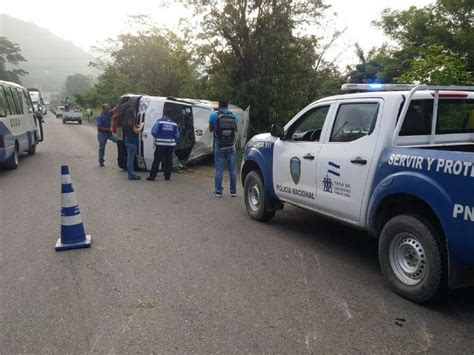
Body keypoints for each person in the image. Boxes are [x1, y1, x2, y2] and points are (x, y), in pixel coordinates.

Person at [209, 99, 238, 197]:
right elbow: (236, 130)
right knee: (233, 169)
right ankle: (233, 191)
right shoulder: (233, 115)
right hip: (231, 145)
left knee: (219, 169)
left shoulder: (214, 115)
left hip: (219, 145)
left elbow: (210, 130)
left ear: (219, 104)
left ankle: (218, 192)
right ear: (228, 105)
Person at [147, 108, 180, 181]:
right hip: (170, 145)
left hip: (160, 144)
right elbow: (177, 136)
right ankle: (167, 176)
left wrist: (159, 137)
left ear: (164, 114)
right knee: (168, 160)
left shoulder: (159, 122)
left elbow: (154, 132)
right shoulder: (174, 124)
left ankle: (152, 176)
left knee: (157, 160)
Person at [123, 104, 144, 180]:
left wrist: (138, 125)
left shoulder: (126, 121)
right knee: (130, 160)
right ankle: (131, 175)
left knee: (129, 158)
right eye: (135, 113)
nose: (135, 114)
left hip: (128, 141)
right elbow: (136, 131)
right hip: (132, 142)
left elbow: (134, 128)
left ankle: (131, 174)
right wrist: (141, 126)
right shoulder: (131, 121)